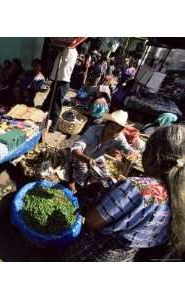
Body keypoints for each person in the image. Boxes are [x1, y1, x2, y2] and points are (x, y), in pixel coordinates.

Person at [63, 124, 185, 261]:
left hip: (96, 253)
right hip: (126, 257)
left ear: (154, 155)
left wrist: (94, 199)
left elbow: (91, 221)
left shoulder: (136, 187)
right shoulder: (180, 193)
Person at [69, 110, 136, 192]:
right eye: (112, 127)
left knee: (106, 176)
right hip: (81, 156)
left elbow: (128, 149)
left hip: (97, 158)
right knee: (82, 174)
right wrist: (86, 159)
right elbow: (76, 149)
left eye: (118, 130)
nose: (113, 133)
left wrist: (131, 153)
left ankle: (90, 186)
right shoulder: (93, 131)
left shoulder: (119, 137)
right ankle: (74, 183)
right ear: (106, 125)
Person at [42, 45, 78, 132]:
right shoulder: (67, 49)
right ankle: (42, 119)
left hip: (62, 81)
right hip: (58, 80)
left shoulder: (70, 49)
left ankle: (52, 126)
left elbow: (65, 59)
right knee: (48, 102)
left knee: (56, 105)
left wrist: (60, 48)